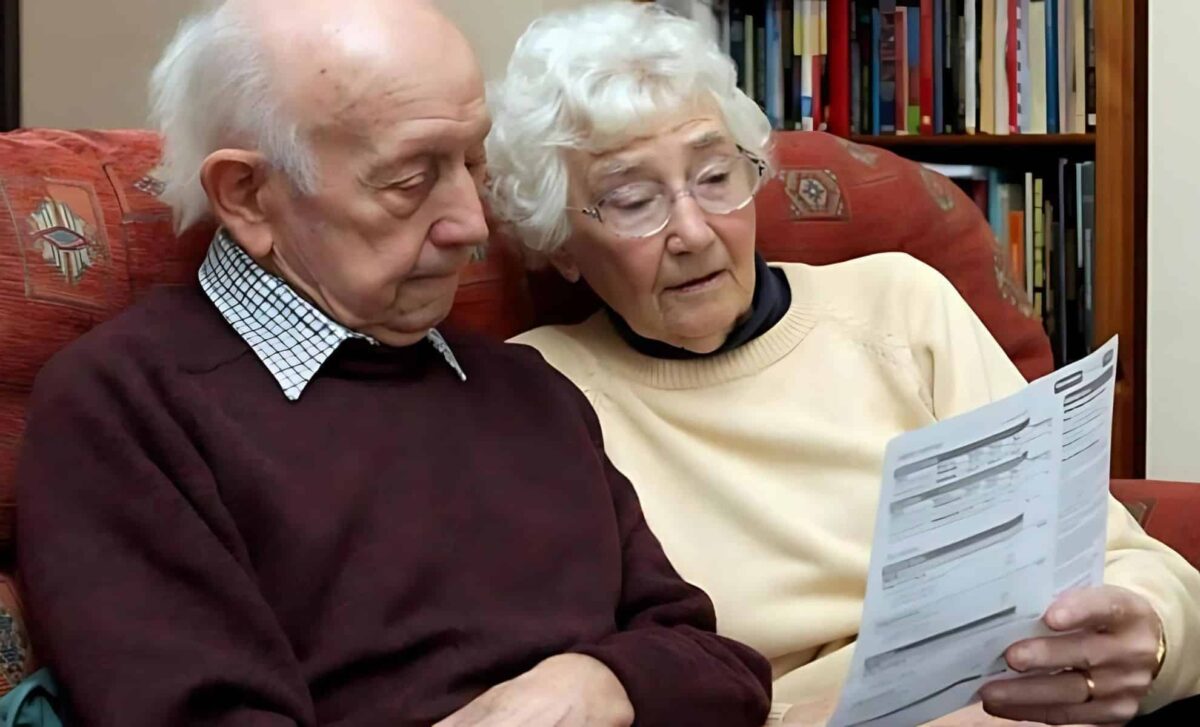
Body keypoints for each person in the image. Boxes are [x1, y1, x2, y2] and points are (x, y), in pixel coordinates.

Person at [13, 1, 775, 725]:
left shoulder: (526, 387)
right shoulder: (125, 408)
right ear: (247, 195)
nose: (472, 224)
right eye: (411, 180)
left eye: (473, 164)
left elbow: (720, 666)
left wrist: (600, 682)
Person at [487, 3, 1200, 725]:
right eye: (633, 200)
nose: (695, 232)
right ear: (561, 245)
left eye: (714, 175)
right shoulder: (539, 394)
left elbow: (1119, 555)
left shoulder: (899, 304)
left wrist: (1149, 630)